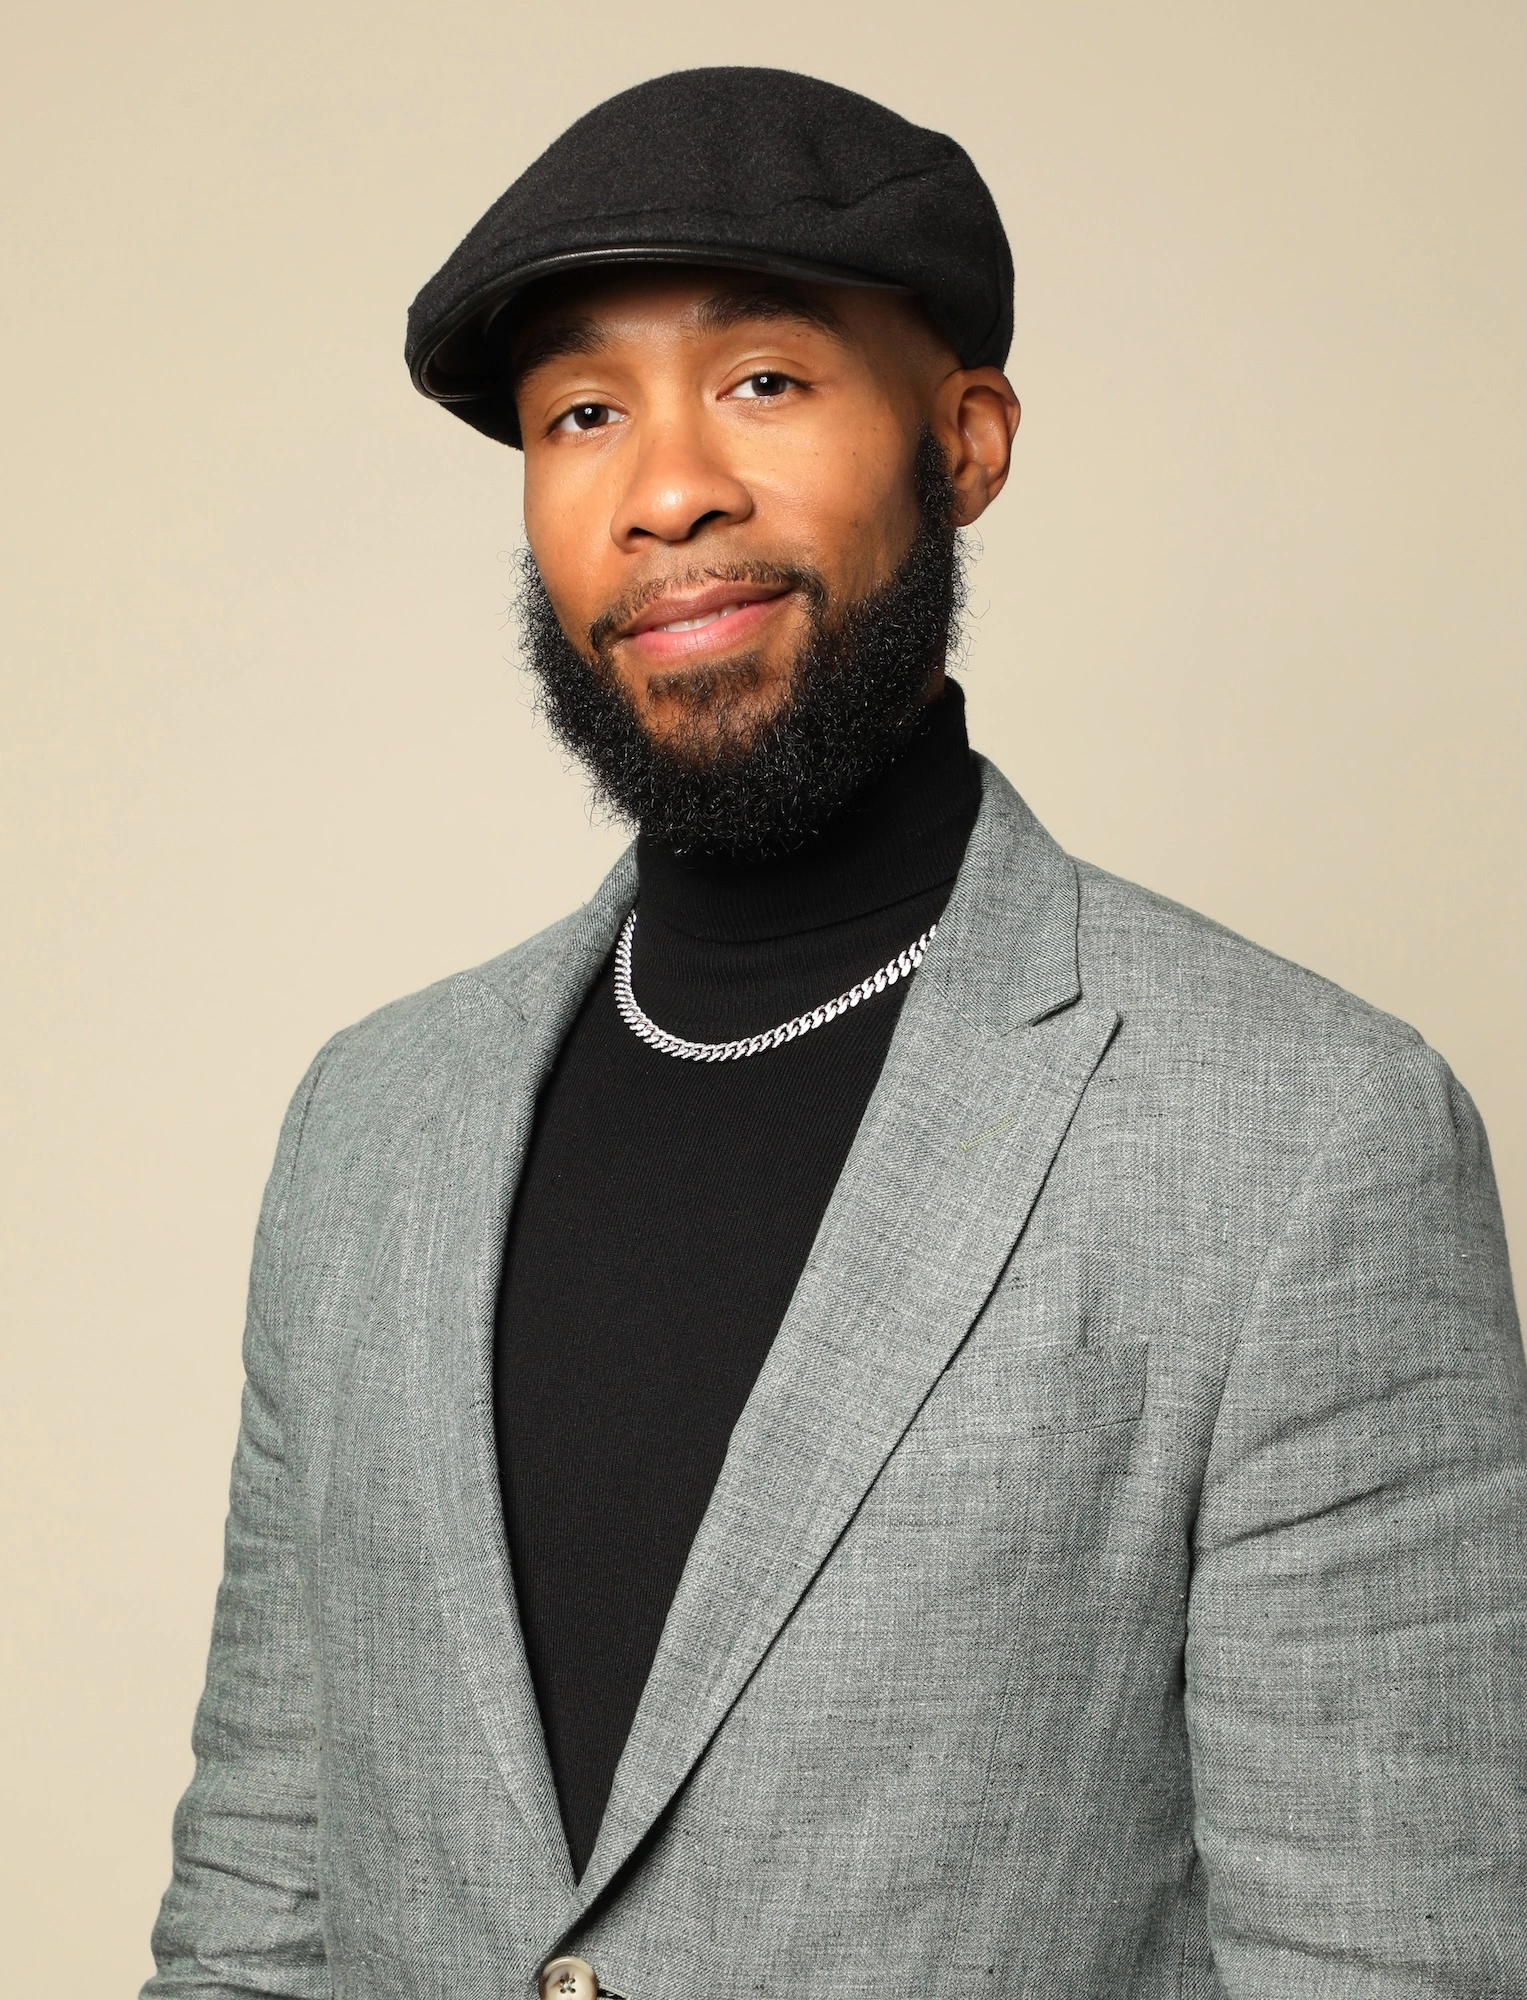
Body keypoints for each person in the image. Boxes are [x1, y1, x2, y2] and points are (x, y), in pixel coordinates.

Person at [144, 66, 1526, 2000]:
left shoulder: (1307, 1137)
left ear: (963, 440)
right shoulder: (370, 1125)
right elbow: (261, 1901)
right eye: (581, 413)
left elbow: (1392, 1961)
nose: (665, 486)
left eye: (766, 382)